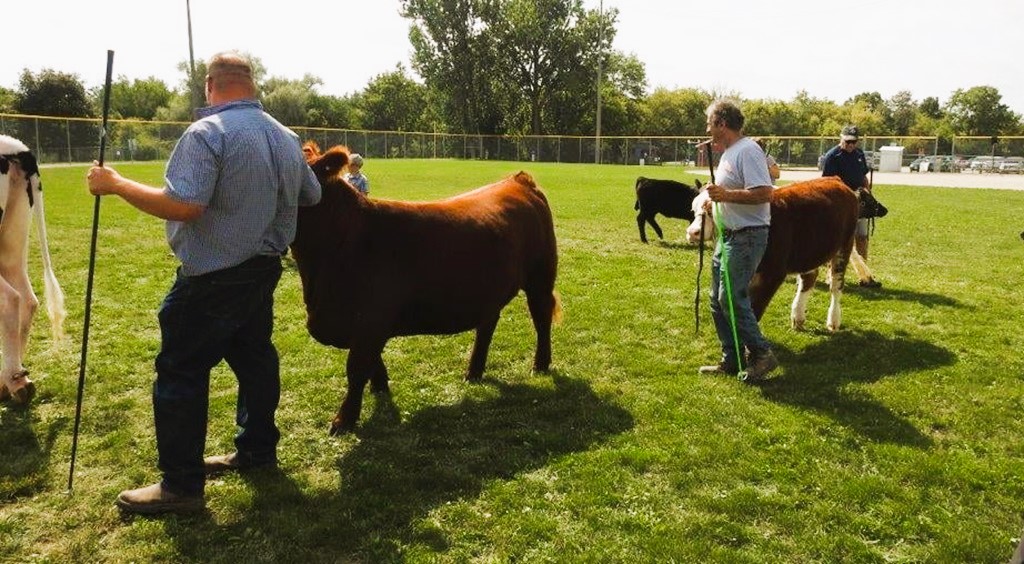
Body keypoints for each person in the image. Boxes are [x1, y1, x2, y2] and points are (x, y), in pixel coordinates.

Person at [86, 51, 322, 515]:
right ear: (251, 85)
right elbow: (311, 195)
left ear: (210, 86)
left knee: (180, 370)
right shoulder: (285, 135)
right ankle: (256, 450)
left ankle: (181, 486)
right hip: (263, 271)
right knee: (255, 359)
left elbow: (184, 205)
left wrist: (115, 184)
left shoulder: (207, 132)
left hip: (213, 278)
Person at [698, 100, 779, 383]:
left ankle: (761, 353)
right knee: (716, 300)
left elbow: (765, 193)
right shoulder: (730, 152)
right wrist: (715, 205)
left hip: (747, 236)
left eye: (709, 123)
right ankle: (731, 360)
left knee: (730, 298)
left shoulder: (748, 151)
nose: (707, 128)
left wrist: (725, 196)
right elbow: (731, 192)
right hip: (729, 234)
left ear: (722, 123)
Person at [821, 125, 882, 288]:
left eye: (854, 142)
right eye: (848, 141)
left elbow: (863, 176)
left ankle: (865, 276)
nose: (851, 145)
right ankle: (832, 275)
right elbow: (828, 183)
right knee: (839, 240)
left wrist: (867, 193)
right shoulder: (832, 157)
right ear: (841, 138)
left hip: (859, 202)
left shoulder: (859, 154)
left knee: (862, 238)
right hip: (841, 203)